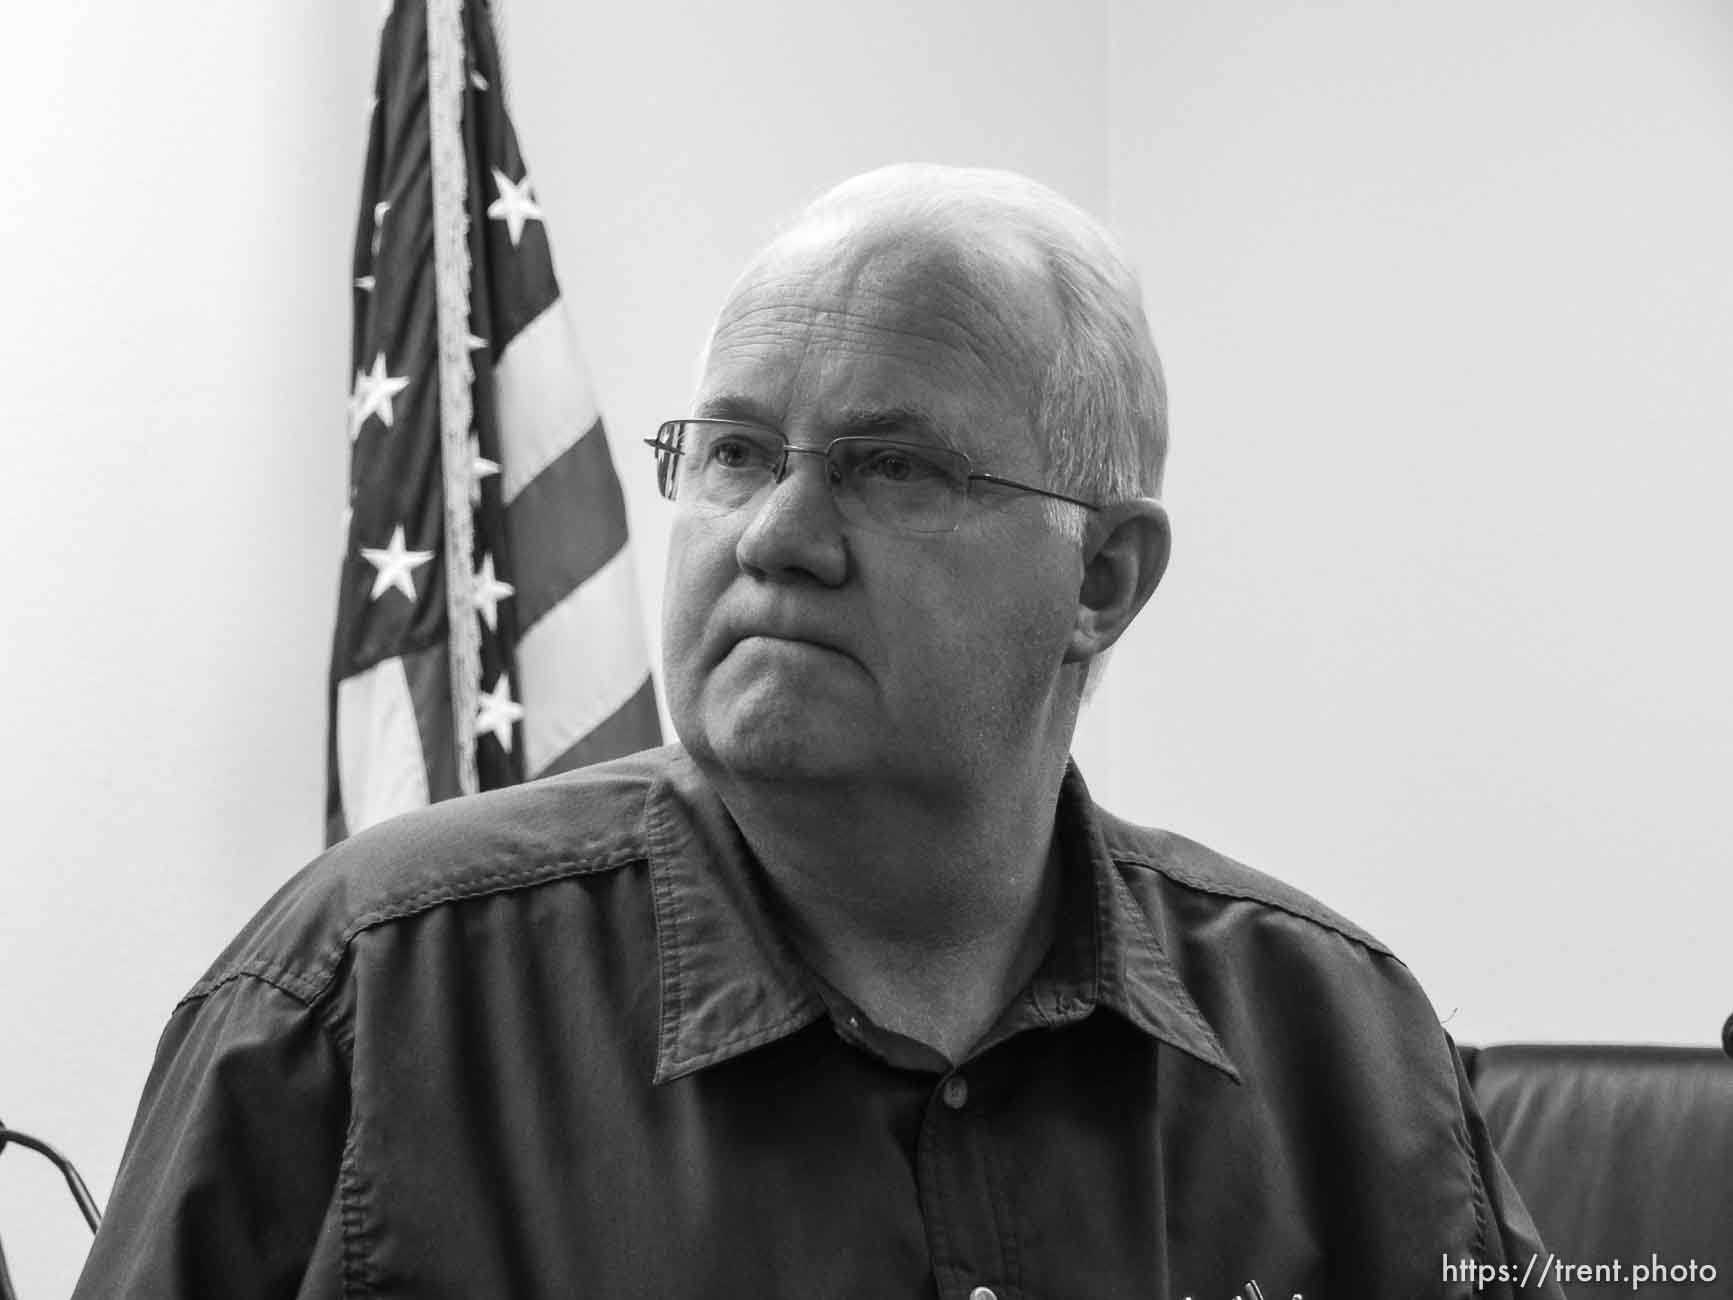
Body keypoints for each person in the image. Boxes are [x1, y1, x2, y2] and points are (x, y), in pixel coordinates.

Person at [75, 164, 1560, 1299]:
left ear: (1099, 580)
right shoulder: (361, 998)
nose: (779, 534)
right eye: (732, 452)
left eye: (891, 466)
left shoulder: (1344, 1051)